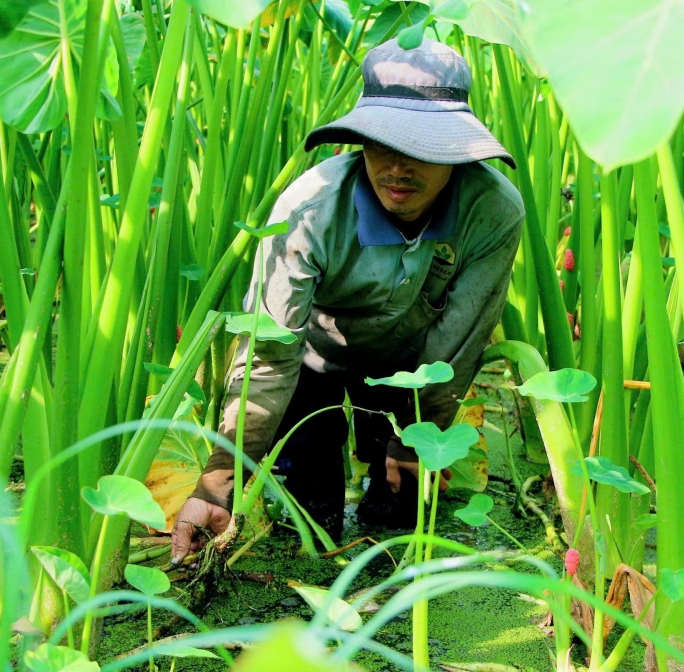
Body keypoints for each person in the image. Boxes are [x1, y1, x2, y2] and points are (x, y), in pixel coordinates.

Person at [170, 37, 524, 563]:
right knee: (309, 522)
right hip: (309, 363)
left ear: (455, 149)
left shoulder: (493, 211)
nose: (397, 168)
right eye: (382, 143)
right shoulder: (310, 208)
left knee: (400, 517)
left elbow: (457, 344)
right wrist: (221, 480)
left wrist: (416, 440)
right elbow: (269, 353)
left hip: (409, 372)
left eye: (421, 148)